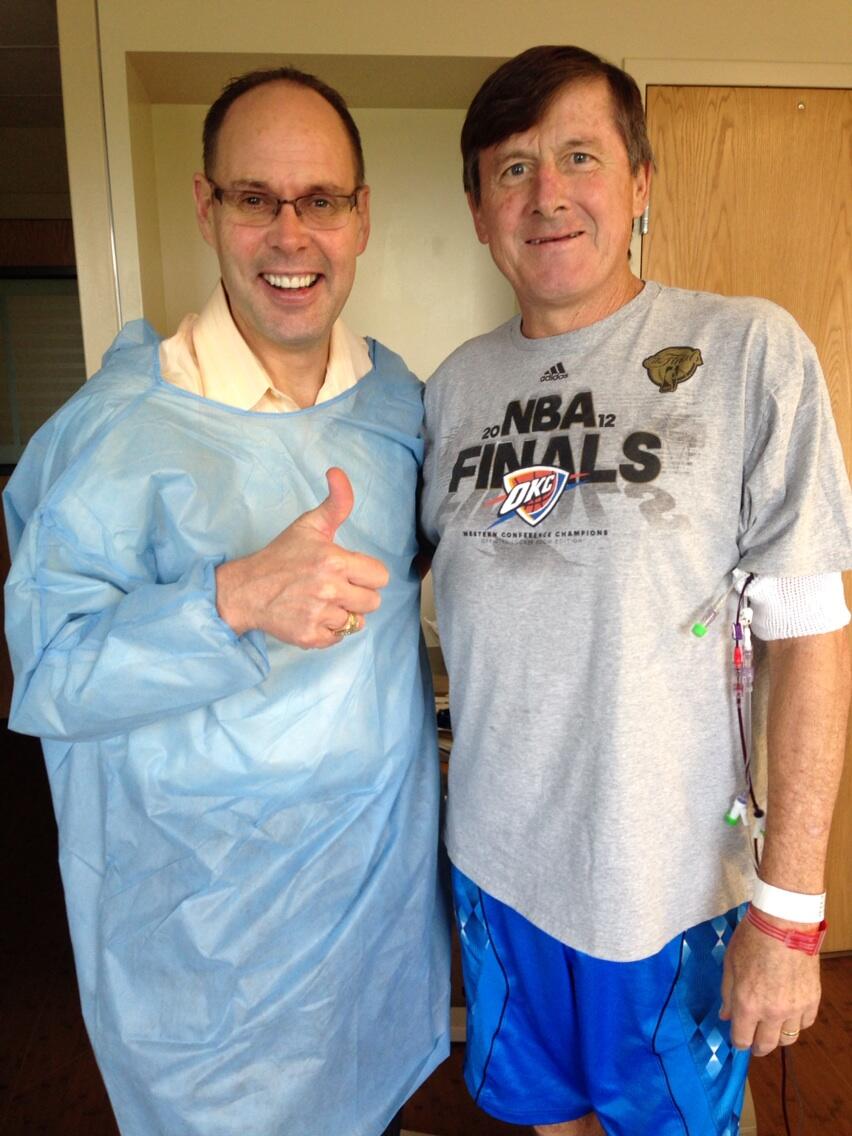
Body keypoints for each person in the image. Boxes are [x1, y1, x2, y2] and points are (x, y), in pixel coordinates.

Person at [4, 68, 449, 1136]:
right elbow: (50, 674)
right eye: (257, 198)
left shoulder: (398, 399)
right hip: (208, 946)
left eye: (321, 200)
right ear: (207, 208)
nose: (291, 235)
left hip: (372, 911)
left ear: (361, 217)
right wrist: (230, 598)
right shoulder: (118, 428)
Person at [420, 45, 851, 1136]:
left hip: (669, 893)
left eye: (580, 156)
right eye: (512, 169)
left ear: (641, 182)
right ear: (478, 210)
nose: (547, 194)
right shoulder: (450, 391)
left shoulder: (747, 351)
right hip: (497, 872)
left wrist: (791, 911)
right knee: (546, 1117)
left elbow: (811, 635)